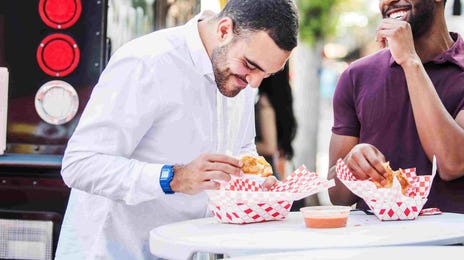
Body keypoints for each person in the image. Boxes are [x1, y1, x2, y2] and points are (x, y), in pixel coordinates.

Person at [55, 0, 299, 259]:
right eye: (251, 66)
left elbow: (241, 150)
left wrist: (255, 183)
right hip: (115, 251)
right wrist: (172, 177)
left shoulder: (237, 72)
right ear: (224, 30)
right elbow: (79, 165)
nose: (253, 84)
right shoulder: (147, 61)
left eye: (267, 74)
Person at [328, 0, 464, 213]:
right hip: (376, 242)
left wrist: (410, 61)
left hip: (451, 243)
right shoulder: (356, 76)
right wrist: (352, 164)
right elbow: (337, 196)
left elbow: (452, 163)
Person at [255, 63, 297, 180]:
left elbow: (269, 146)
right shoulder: (281, 100)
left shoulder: (264, 103)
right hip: (270, 173)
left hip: (266, 176)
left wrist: (237, 146)